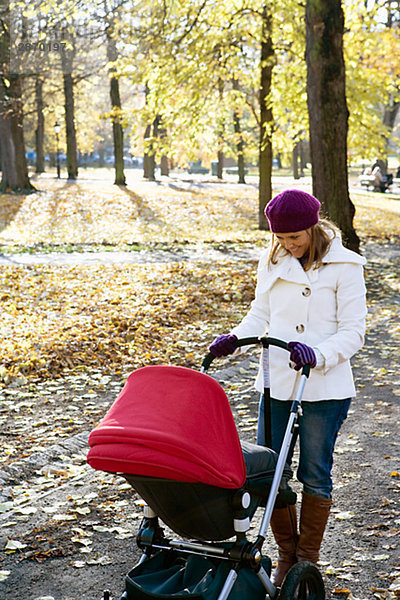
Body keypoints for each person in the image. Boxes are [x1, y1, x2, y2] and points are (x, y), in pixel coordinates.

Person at [209, 189, 367, 587]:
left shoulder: (345, 266)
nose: (288, 245)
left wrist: (318, 353)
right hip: (278, 380)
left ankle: (306, 559)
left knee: (314, 472)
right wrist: (235, 338)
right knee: (270, 471)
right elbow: (260, 312)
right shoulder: (273, 257)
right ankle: (285, 555)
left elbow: (354, 332)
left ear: (313, 229)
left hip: (325, 386)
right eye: (281, 238)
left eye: (295, 238)